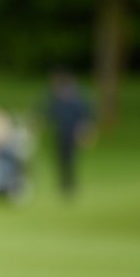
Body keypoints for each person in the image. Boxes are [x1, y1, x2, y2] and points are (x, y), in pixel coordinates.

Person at [45, 69, 93, 198]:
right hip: (61, 134)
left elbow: (85, 117)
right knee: (61, 160)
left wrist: (85, 132)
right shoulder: (57, 99)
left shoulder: (77, 100)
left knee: (71, 160)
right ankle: (64, 184)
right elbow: (51, 115)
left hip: (72, 134)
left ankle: (70, 184)